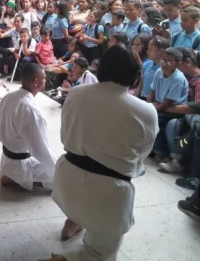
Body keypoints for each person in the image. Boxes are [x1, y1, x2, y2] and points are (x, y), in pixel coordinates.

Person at [43, 45, 158, 261]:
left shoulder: (76, 93)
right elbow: (141, 155)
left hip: (67, 180)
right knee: (100, 254)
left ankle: (75, 220)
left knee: (87, 190)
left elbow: (65, 133)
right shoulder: (145, 111)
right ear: (135, 74)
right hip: (110, 193)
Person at [0, 63, 57, 191]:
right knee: (60, 181)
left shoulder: (8, 97)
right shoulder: (31, 110)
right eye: (44, 78)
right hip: (22, 165)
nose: (46, 80)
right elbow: (41, 150)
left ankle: (12, 174)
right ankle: (18, 179)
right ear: (35, 82)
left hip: (7, 159)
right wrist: (59, 172)